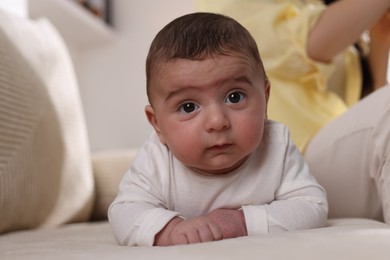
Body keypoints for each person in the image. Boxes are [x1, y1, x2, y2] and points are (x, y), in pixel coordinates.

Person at [108, 12, 328, 247]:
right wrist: (171, 230)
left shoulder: (276, 145)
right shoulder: (158, 158)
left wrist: (242, 222)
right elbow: (124, 210)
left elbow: (312, 205)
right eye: (188, 106)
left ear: (265, 99)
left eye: (234, 97)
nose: (217, 121)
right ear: (157, 124)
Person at [196, 0, 390, 222]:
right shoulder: (228, 6)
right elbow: (309, 45)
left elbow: (372, 117)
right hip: (287, 165)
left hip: (330, 159)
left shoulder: (315, 6)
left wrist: (380, 40)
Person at [196, 0, 390, 152]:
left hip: (341, 150)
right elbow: (311, 45)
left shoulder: (308, 5)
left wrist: (381, 32)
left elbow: (374, 98)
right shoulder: (228, 6)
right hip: (293, 158)